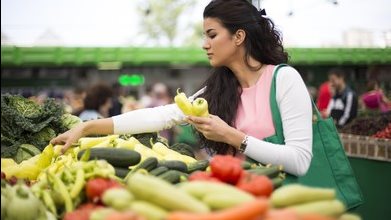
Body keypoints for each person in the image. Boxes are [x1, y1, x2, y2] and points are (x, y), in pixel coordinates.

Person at [51, 0, 313, 177]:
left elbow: (300, 161)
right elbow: (160, 115)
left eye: (211, 35)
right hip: (233, 198)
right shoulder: (220, 88)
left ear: (238, 37)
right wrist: (87, 127)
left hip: (280, 205)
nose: (204, 44)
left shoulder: (284, 80)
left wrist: (232, 136)